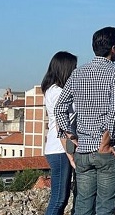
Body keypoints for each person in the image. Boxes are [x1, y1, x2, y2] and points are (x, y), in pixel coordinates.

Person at [55, 27, 115, 215]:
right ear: (113, 48)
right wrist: (105, 143)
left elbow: (59, 107)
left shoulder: (78, 73)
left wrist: (70, 135)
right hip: (108, 149)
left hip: (83, 149)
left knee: (82, 207)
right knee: (105, 208)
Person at [42, 51, 78, 215]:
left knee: (60, 198)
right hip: (60, 149)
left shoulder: (52, 90)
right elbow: (60, 124)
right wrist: (69, 150)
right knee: (58, 199)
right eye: (73, 68)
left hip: (58, 148)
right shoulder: (57, 93)